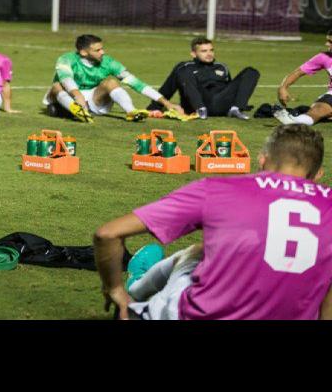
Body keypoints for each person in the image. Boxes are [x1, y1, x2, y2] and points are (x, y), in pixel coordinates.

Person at [93, 124, 332, 320]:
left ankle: (135, 294)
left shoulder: (220, 190)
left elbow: (108, 234)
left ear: (262, 159)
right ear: (319, 173)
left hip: (198, 315)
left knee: (197, 253)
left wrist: (114, 289)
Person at [44, 34, 182, 123]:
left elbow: (136, 83)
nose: (102, 52)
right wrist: (77, 95)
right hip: (71, 96)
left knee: (111, 82)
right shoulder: (66, 59)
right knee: (57, 85)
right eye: (97, 50)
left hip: (94, 100)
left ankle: (131, 112)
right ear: (83, 52)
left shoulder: (108, 62)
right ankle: (78, 112)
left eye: (102, 48)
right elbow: (65, 78)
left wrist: (166, 103)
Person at [147, 36, 258, 120]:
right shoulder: (186, 68)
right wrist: (154, 107)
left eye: (211, 50)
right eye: (204, 51)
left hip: (220, 103)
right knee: (183, 70)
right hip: (200, 103)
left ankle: (236, 109)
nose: (209, 54)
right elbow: (167, 89)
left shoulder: (222, 67)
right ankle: (200, 110)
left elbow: (230, 89)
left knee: (251, 72)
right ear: (193, 54)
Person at [275, 30, 332, 126]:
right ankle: (296, 121)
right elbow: (298, 72)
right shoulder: (324, 57)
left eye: (330, 42)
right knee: (320, 108)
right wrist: (283, 87)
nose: (326, 44)